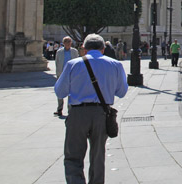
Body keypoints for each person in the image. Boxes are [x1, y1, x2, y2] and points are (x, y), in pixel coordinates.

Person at [54, 34, 128, 184]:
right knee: (98, 156)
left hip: (77, 113)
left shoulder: (73, 64)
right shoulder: (115, 65)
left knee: (73, 156)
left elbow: (60, 91)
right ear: (103, 48)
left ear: (84, 48)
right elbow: (122, 92)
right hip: (102, 113)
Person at [54, 36, 79, 117]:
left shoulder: (74, 51)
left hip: (72, 74)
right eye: (66, 42)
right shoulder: (59, 52)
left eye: (69, 42)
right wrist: (58, 73)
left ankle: (70, 109)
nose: (68, 44)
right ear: (63, 43)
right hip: (61, 74)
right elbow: (57, 62)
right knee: (60, 91)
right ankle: (59, 109)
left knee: (71, 93)